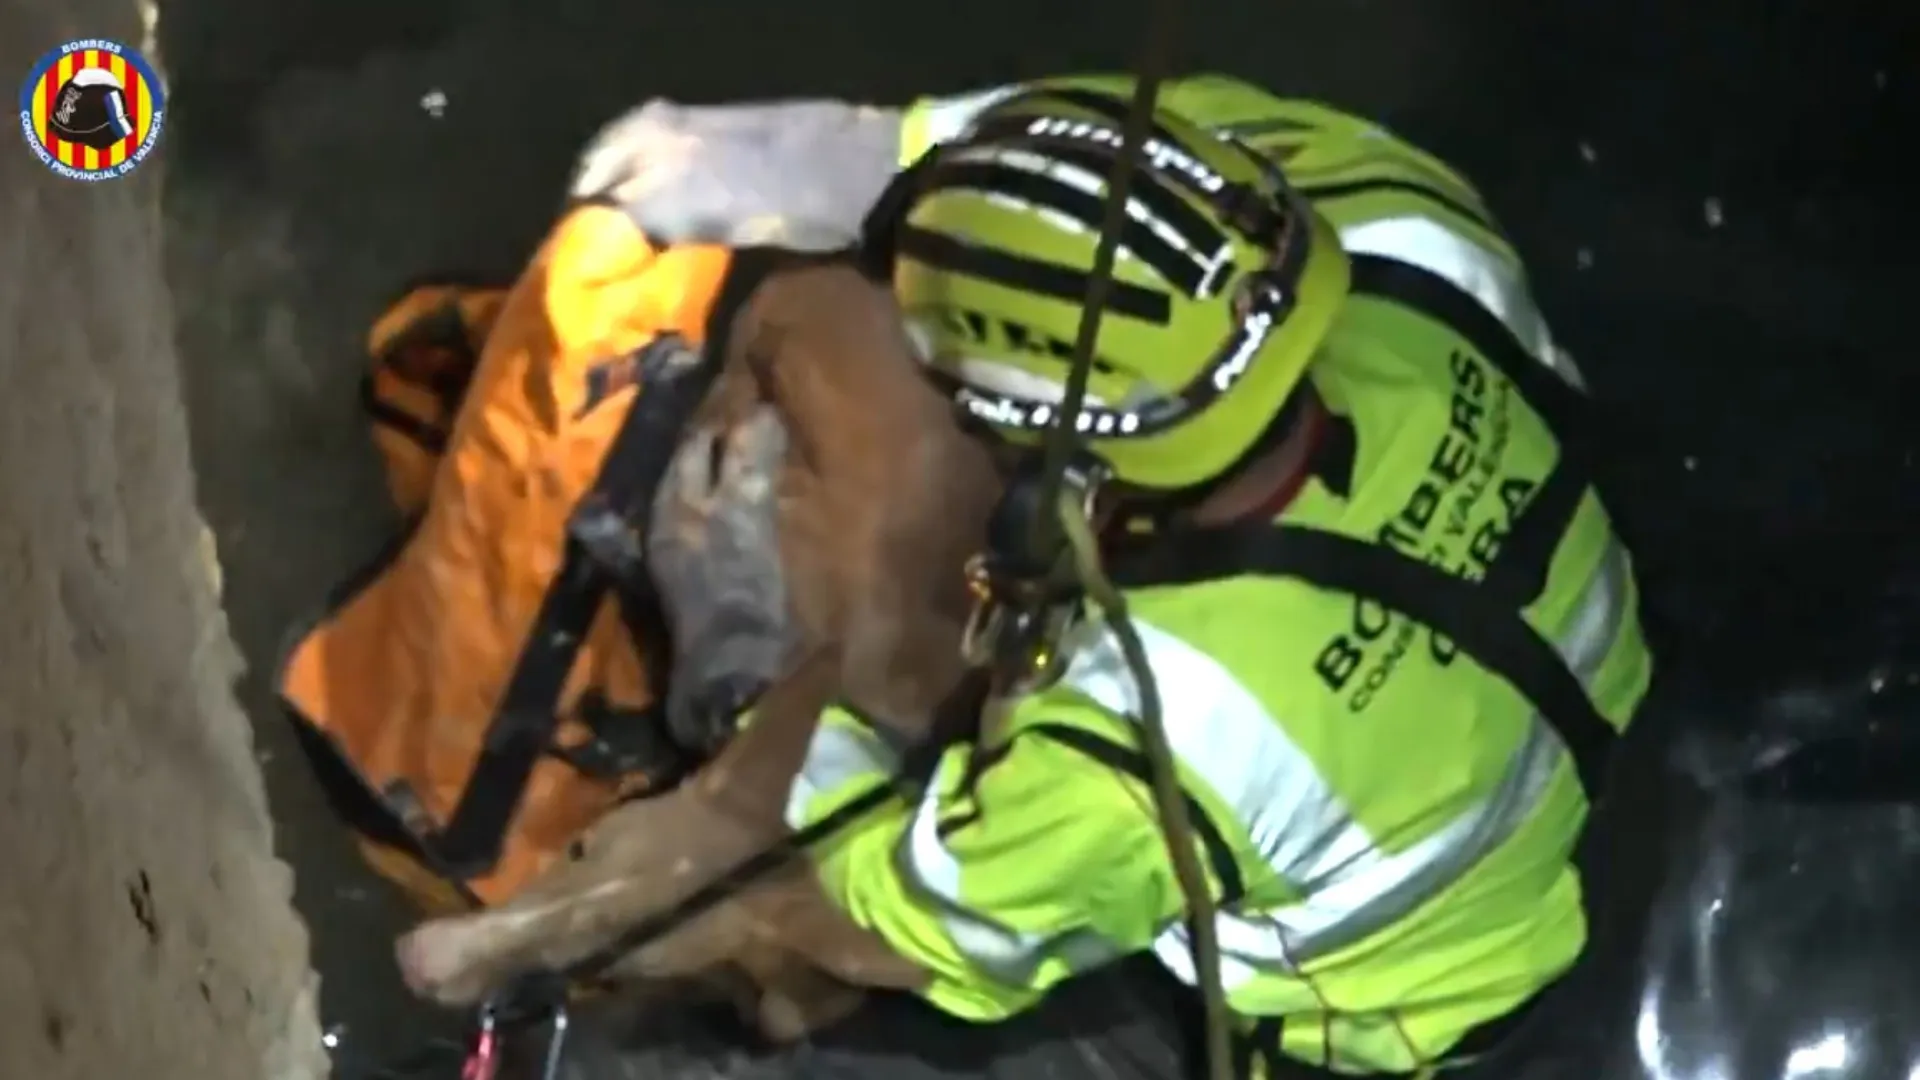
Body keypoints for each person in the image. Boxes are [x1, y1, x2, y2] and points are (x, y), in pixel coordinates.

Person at [569, 74, 1653, 1079]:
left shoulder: (1158, 726)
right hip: (1581, 719)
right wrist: (818, 157)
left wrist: (753, 673)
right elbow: (1139, 140)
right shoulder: (1408, 228)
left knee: (685, 1047)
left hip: (1412, 1002)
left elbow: (909, 916)